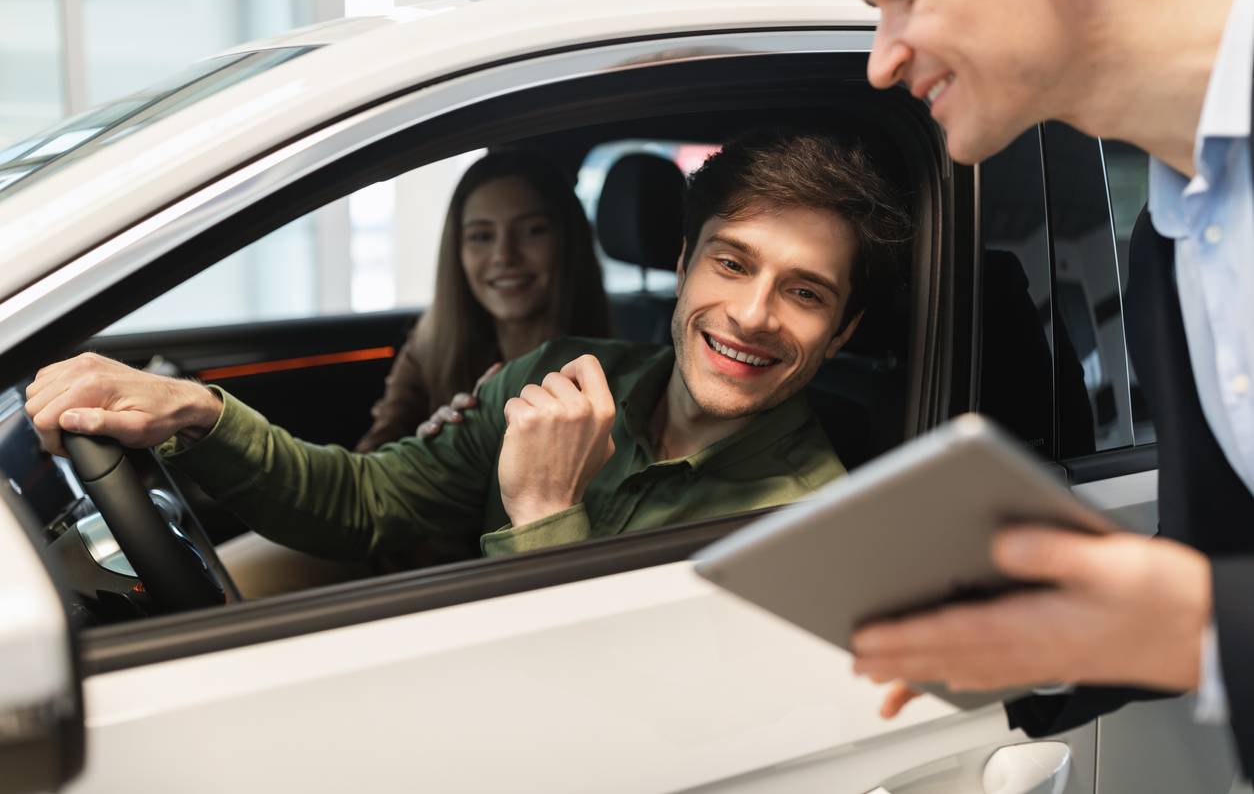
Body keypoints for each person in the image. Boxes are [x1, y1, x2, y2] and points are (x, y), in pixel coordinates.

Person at [25, 130, 911, 562]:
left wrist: (542, 511)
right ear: (683, 264)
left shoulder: (810, 528)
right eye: (732, 262)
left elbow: (599, 719)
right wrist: (201, 412)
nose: (753, 315)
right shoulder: (557, 371)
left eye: (805, 293)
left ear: (843, 333)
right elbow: (365, 501)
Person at [850, 0, 1254, 775]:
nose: (881, 59)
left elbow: (1210, 607)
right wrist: (1053, 627)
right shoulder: (1169, 251)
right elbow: (1220, 564)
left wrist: (1202, 624)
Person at [356, 148, 613, 452]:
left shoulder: (615, 367)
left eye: (531, 231)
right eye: (481, 236)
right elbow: (371, 464)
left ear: (568, 240)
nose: (504, 256)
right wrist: (426, 453)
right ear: (457, 250)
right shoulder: (430, 346)